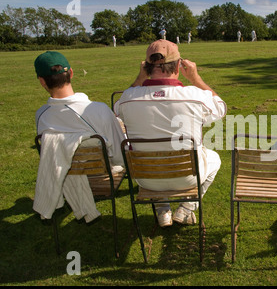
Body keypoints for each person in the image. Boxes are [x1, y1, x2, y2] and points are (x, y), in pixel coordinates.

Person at [115, 39, 227, 227]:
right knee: (214, 158)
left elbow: (116, 112)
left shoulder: (128, 98)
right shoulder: (195, 95)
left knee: (152, 152)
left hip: (145, 178)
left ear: (146, 67)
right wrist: (195, 78)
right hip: (187, 177)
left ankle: (162, 211)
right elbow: (221, 108)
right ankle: (187, 208)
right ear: (177, 65)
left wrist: (139, 79)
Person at [34, 51, 126, 221]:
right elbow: (121, 156)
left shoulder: (41, 116)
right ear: (71, 73)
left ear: (42, 81)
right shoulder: (98, 110)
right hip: (101, 172)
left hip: (66, 173)